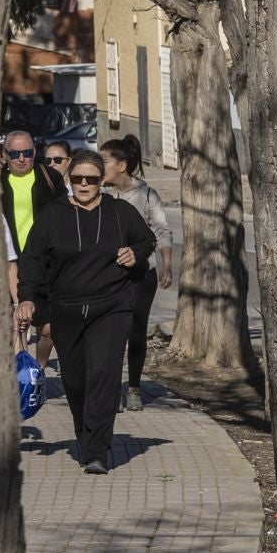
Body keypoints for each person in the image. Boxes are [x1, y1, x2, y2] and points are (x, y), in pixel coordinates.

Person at [15, 150, 156, 474]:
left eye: (90, 179)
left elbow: (145, 240)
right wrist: (27, 298)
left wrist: (135, 252)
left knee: (104, 377)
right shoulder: (53, 215)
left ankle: (96, 451)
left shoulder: (120, 212)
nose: (83, 185)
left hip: (112, 307)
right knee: (76, 382)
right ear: (70, 180)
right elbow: (32, 259)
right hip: (66, 309)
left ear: (101, 181)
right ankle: (86, 437)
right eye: (77, 179)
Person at [101, 136, 174, 412]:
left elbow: (162, 231)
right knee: (111, 330)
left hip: (143, 274)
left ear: (121, 165)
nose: (100, 165)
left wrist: (166, 265)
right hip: (110, 275)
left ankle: (133, 388)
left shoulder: (146, 195)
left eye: (104, 161)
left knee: (136, 329)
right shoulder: (101, 194)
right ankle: (111, 388)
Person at [1, 129, 63, 373]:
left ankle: (40, 365)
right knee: (16, 322)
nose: (21, 158)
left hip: (44, 262)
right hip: (10, 259)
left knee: (47, 327)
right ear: (5, 155)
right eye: (14, 153)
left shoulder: (49, 178)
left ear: (34, 152)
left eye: (26, 152)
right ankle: (20, 376)